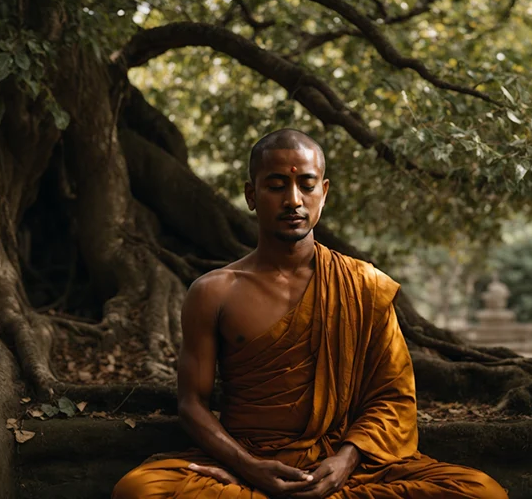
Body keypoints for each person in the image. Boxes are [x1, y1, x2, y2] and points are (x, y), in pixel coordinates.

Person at [113, 129, 507, 498]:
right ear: (252, 195)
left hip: (343, 468)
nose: (293, 201)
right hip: (249, 460)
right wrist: (248, 466)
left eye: (306, 184)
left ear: (324, 191)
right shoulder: (215, 291)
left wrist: (345, 460)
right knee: (141, 490)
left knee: (481, 491)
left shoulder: (362, 285)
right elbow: (192, 404)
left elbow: (393, 397)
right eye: (276, 185)